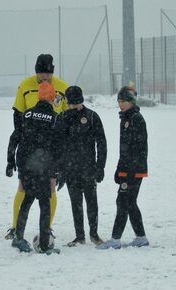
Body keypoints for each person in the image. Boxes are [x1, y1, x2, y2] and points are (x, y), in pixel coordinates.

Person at [5, 54, 68, 240]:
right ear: (35, 72)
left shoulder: (62, 87)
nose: (45, 78)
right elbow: (17, 114)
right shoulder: (24, 86)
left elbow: (66, 117)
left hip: (49, 149)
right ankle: (15, 227)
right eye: (41, 74)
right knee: (23, 188)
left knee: (51, 187)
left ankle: (47, 229)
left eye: (48, 75)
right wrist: (22, 141)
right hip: (30, 147)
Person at [10, 82, 61, 254]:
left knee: (27, 199)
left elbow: (14, 137)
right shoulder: (54, 118)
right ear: (52, 98)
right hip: (42, 167)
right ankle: (45, 244)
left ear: (39, 96)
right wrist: (57, 171)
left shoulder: (26, 114)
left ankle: (18, 237)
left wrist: (11, 161)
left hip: (25, 165)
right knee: (45, 205)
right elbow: (57, 147)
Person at [97, 86, 150, 249]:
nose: (120, 104)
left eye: (124, 101)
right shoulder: (126, 118)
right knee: (130, 202)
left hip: (134, 170)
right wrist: (120, 169)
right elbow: (125, 149)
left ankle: (115, 239)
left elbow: (137, 148)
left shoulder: (135, 118)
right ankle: (141, 237)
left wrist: (127, 171)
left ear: (131, 102)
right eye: (119, 101)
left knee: (123, 201)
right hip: (128, 168)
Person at [58, 86, 107, 247]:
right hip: (71, 170)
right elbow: (58, 146)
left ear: (81, 101)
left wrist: (100, 167)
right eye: (71, 104)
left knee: (92, 202)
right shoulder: (63, 117)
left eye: (75, 103)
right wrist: (61, 170)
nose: (73, 107)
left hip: (89, 168)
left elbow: (101, 143)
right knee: (76, 203)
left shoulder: (92, 117)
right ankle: (80, 236)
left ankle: (94, 234)